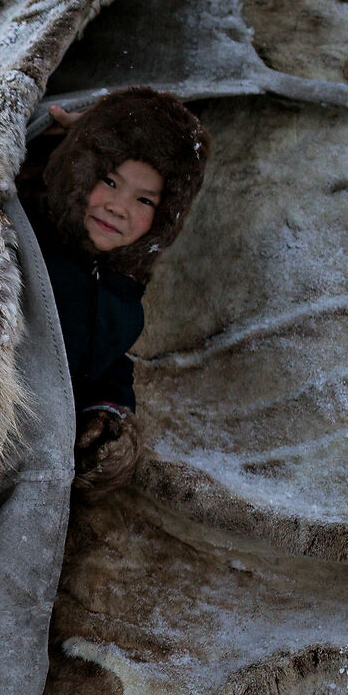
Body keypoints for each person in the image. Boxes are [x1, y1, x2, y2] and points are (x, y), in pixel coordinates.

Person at [19, 87, 208, 501]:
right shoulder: (30, 236)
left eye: (144, 199)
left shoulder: (122, 288)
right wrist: (55, 142)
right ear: (81, 170)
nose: (119, 207)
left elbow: (105, 364)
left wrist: (108, 416)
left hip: (40, 451)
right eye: (108, 180)